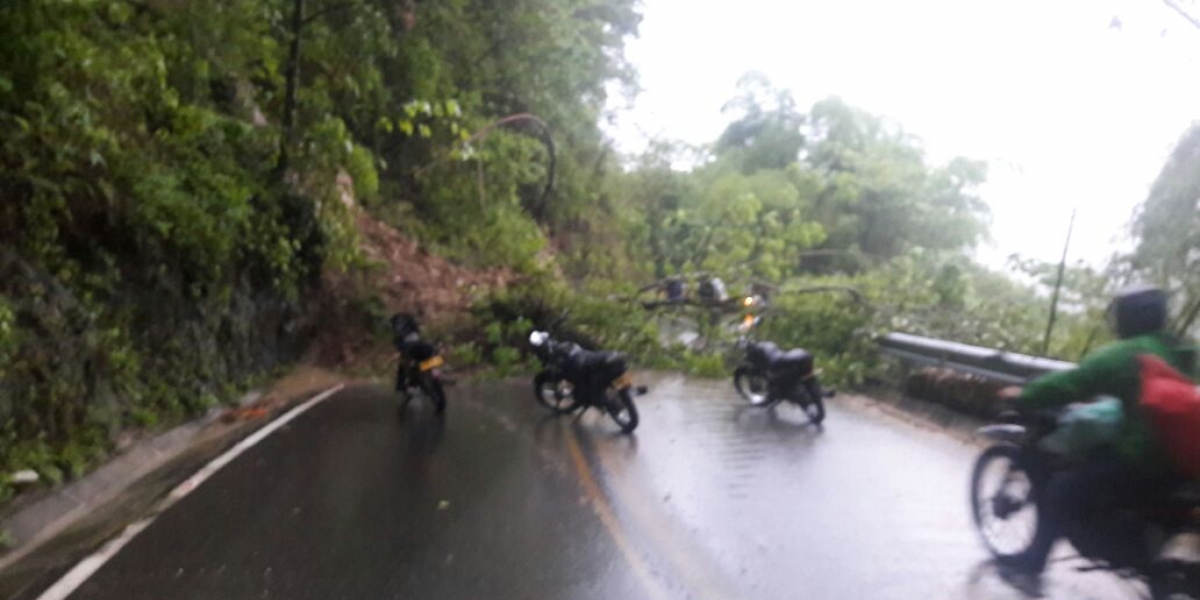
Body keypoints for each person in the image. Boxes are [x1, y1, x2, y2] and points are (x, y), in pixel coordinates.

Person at [999, 285, 1196, 595]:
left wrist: (1025, 397)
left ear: (1126, 318)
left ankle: (1033, 562)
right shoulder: (1187, 350)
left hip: (1143, 460)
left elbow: (1072, 384)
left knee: (1059, 491)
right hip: (1189, 461)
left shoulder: (1128, 353)